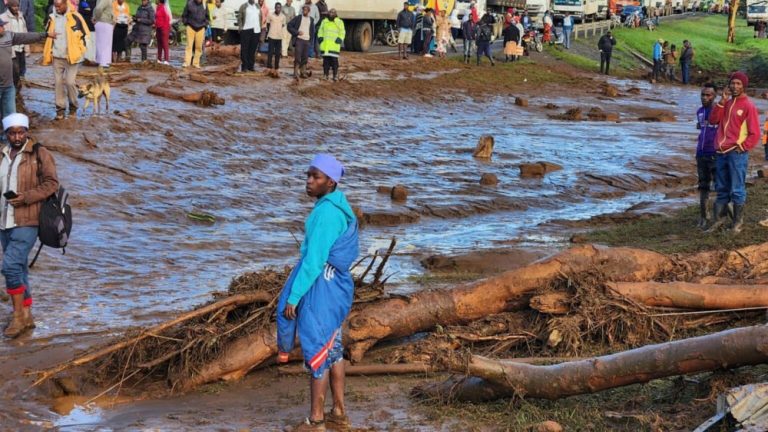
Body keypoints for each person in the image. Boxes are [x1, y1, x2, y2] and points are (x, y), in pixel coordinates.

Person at [277, 154, 358, 432]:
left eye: (316, 177)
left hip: (321, 288)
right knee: (333, 349)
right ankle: (338, 412)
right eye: (308, 175)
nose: (309, 181)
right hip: (336, 286)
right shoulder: (338, 207)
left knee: (318, 348)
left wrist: (294, 297)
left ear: (331, 181)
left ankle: (316, 420)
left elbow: (314, 260)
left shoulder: (325, 214)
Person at [0, 113, 59, 339]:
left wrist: (26, 197)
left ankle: (17, 318)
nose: (17, 136)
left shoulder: (39, 153)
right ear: (6, 134)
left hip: (29, 219)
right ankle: (27, 314)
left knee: (10, 267)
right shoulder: (2, 154)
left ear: (27, 131)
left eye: (20, 132)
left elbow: (52, 183)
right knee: (20, 267)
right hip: (4, 221)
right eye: (12, 133)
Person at [706, 72, 761, 234]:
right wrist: (721, 102)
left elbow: (755, 133)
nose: (735, 86)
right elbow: (713, 120)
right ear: (729, 85)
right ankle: (719, 221)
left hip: (736, 153)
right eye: (733, 83)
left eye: (738, 83)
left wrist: (743, 147)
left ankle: (737, 224)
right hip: (721, 152)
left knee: (737, 188)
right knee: (721, 187)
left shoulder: (748, 106)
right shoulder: (727, 104)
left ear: (744, 85)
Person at [43, 0, 89, 120]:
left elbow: (85, 35)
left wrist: (81, 51)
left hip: (72, 57)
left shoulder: (76, 17)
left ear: (65, 4)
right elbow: (46, 33)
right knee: (58, 83)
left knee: (69, 82)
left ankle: (73, 107)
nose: (57, 9)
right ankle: (60, 110)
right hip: (57, 56)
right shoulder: (51, 17)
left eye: (59, 6)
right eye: (55, 6)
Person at [695, 83, 719, 229]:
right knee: (703, 186)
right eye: (703, 95)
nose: (705, 97)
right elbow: (701, 128)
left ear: (715, 96)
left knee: (720, 187)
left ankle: (721, 218)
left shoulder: (720, 112)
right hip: (701, 154)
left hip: (715, 154)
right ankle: (704, 217)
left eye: (708, 95)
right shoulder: (699, 112)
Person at [1, 0, 34, 93]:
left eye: (17, 6)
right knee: (14, 71)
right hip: (11, 49)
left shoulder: (21, 16)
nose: (16, 8)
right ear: (9, 7)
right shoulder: (3, 18)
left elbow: (24, 31)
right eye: (14, 6)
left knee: (21, 70)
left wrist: (27, 46)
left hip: (21, 47)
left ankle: (17, 91)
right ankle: (12, 91)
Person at [288, 3, 313, 78]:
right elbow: (289, 26)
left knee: (305, 57)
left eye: (306, 10)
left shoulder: (311, 19)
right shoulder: (298, 18)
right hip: (299, 40)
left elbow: (312, 31)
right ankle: (295, 73)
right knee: (298, 57)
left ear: (309, 11)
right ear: (302, 11)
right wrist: (297, 32)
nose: (304, 11)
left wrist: (310, 41)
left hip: (307, 41)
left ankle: (303, 72)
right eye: (303, 10)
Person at [317, 8, 344, 81]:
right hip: (325, 46)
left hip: (334, 46)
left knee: (334, 62)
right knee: (326, 62)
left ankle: (335, 75)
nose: (331, 14)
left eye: (333, 13)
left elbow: (342, 32)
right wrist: (320, 38)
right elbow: (320, 31)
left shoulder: (339, 22)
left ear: (335, 14)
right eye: (330, 13)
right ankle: (325, 75)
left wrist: (340, 39)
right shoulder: (324, 21)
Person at [182, 0, 209, 68]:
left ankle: (196, 63)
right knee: (189, 46)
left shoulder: (205, 4)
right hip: (190, 26)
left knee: (199, 47)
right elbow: (184, 15)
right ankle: (187, 62)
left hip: (201, 27)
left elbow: (207, 16)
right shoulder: (189, 3)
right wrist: (186, 23)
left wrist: (205, 25)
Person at [238, 0, 260, 72]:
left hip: (256, 30)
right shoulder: (243, 6)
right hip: (246, 29)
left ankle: (251, 66)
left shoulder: (257, 6)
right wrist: (241, 28)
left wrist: (259, 27)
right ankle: (244, 66)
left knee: (252, 49)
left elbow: (260, 17)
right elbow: (239, 17)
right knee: (245, 49)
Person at [266, 2, 285, 74]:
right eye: (277, 7)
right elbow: (268, 24)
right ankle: (269, 66)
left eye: (279, 7)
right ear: (275, 8)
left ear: (281, 8)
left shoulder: (283, 16)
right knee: (270, 52)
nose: (278, 9)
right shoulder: (270, 15)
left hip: (279, 37)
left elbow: (283, 25)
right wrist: (271, 30)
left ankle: (276, 67)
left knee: (277, 53)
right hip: (271, 36)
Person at [93, 0, 113, 68]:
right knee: (105, 44)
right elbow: (98, 8)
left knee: (101, 43)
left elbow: (96, 8)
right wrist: (97, 18)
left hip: (103, 22)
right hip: (104, 22)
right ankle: (104, 62)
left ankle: (101, 61)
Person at [155, 0, 170, 64]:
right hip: (158, 28)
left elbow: (167, 18)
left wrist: (164, 28)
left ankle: (166, 60)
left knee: (165, 44)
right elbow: (157, 18)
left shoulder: (164, 8)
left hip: (164, 28)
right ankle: (159, 59)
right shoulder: (158, 7)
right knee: (159, 44)